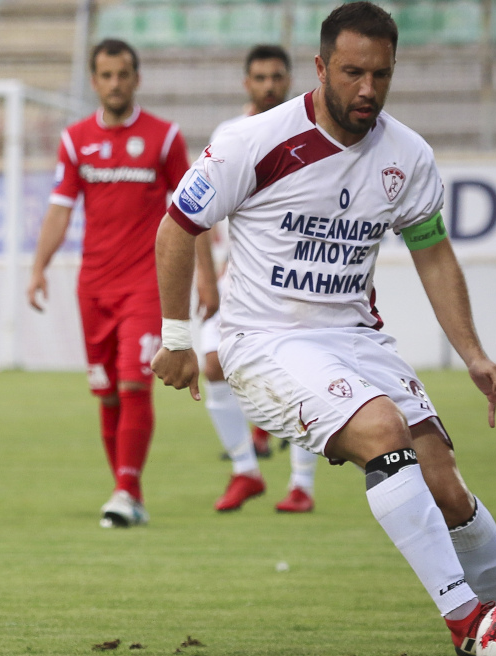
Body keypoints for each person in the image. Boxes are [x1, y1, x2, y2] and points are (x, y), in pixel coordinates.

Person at [151, 4, 496, 654]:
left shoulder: (406, 156)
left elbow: (432, 251)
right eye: (352, 73)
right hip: (263, 343)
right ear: (321, 66)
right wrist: (179, 340)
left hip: (356, 341)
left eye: (381, 75)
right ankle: (467, 624)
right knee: (382, 429)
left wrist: (474, 355)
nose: (367, 90)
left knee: (448, 489)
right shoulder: (255, 142)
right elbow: (177, 227)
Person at [28, 38, 189, 528]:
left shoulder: (164, 137)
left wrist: (202, 278)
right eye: (106, 75)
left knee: (134, 382)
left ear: (136, 79)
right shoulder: (76, 140)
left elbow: (192, 211)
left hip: (145, 283)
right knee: (108, 393)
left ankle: (124, 490)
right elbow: (60, 209)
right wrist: (37, 267)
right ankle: (127, 492)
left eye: (123, 74)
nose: (115, 83)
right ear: (94, 81)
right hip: (93, 287)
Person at [196, 45, 319, 514]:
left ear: (290, 80)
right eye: (260, 77)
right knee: (212, 362)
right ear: (246, 83)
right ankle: (246, 471)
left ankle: (302, 485)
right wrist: (207, 281)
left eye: (276, 77)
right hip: (239, 278)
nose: (269, 85)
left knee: (304, 375)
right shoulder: (231, 133)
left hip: (299, 279)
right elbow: (201, 212)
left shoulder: (311, 131)